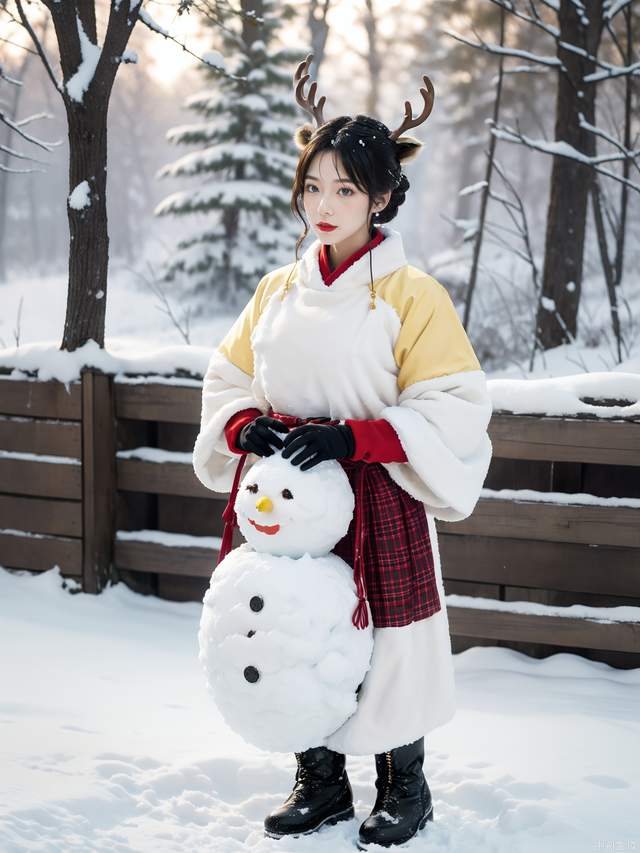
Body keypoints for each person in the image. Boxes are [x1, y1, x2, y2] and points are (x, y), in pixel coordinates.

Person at [192, 54, 493, 851]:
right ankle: (319, 780)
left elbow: (454, 403)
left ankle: (406, 785)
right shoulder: (276, 291)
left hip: (376, 492)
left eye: (347, 190)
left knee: (387, 638)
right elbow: (229, 375)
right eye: (313, 186)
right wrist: (244, 427)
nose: (323, 206)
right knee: (299, 633)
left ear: (384, 196)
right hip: (288, 498)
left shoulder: (411, 295)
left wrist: (353, 437)